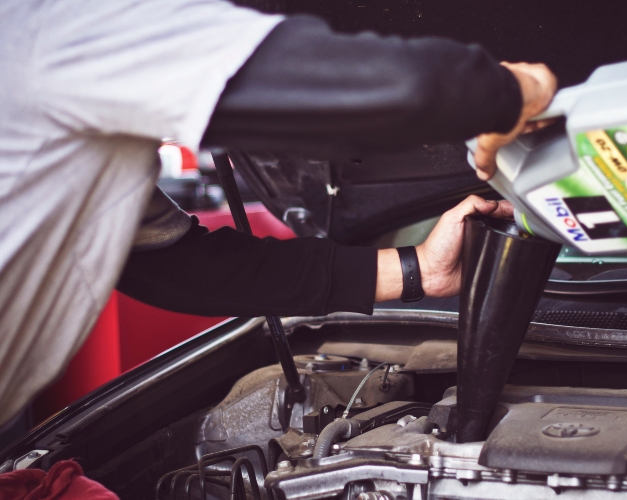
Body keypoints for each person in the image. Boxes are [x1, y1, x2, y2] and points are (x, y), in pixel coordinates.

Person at [0, 0, 556, 425]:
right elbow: (394, 86)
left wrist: (417, 270)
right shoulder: (58, 26)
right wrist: (519, 89)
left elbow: (171, 266)